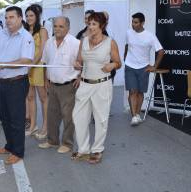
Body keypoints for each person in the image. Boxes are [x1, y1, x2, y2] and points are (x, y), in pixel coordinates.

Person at [0, 6, 34, 165]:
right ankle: (10, 146)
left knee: (16, 119)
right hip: (3, 81)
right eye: (6, 17)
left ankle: (18, 152)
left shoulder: (26, 36)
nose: (8, 20)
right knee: (4, 116)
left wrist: (2, 64)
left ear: (20, 18)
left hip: (17, 82)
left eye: (11, 17)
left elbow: (26, 60)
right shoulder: (2, 33)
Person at [71, 12, 121, 164]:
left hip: (102, 84)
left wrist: (112, 64)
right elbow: (79, 60)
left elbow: (118, 62)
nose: (90, 26)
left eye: (94, 24)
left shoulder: (110, 42)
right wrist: (76, 64)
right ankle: (83, 149)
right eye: (89, 23)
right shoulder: (84, 41)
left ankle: (97, 150)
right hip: (85, 84)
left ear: (102, 26)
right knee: (78, 116)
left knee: (101, 119)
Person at [38, 17, 80, 154]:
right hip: (52, 85)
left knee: (68, 116)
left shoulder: (75, 43)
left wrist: (80, 77)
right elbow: (45, 63)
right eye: (55, 26)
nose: (57, 29)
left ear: (68, 28)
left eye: (61, 26)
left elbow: (84, 62)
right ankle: (52, 141)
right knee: (52, 115)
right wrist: (45, 80)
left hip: (68, 86)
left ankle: (67, 143)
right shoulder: (49, 43)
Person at [124, 12, 164, 126]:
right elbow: (127, 45)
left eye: (136, 22)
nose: (133, 24)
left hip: (143, 68)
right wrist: (125, 58)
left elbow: (161, 51)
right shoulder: (128, 33)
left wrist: (154, 66)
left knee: (140, 92)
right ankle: (134, 117)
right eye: (132, 22)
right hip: (130, 66)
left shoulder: (150, 36)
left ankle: (137, 114)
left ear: (142, 23)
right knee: (132, 91)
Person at [24, 5, 49, 139]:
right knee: (30, 97)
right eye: (27, 16)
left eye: (31, 15)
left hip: (39, 66)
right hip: (27, 66)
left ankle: (45, 126)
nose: (28, 18)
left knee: (43, 97)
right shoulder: (24, 31)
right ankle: (33, 126)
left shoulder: (43, 31)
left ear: (37, 16)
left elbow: (42, 51)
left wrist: (31, 65)